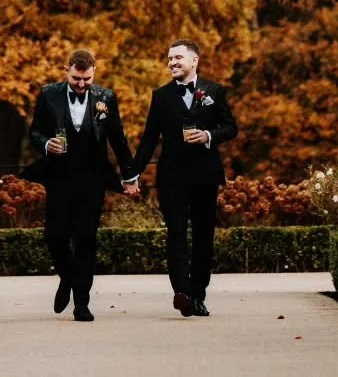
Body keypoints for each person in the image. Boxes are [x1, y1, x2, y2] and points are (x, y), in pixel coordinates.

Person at [22, 49, 139, 321]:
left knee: (86, 240)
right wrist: (45, 144)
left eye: (87, 79)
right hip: (59, 177)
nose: (82, 84)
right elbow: (35, 132)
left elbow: (118, 140)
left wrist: (129, 176)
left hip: (92, 179)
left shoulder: (106, 97)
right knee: (55, 236)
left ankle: (82, 303)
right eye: (77, 78)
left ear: (94, 72)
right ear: (67, 70)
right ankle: (68, 278)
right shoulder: (48, 94)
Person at [133, 38, 237, 317]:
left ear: (194, 61)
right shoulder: (161, 96)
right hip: (172, 176)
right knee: (176, 233)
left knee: (204, 237)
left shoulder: (214, 91)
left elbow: (230, 128)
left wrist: (208, 136)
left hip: (205, 175)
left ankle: (198, 294)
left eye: (178, 57)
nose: (172, 63)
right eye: (169, 59)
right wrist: (132, 173)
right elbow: (148, 140)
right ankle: (181, 291)